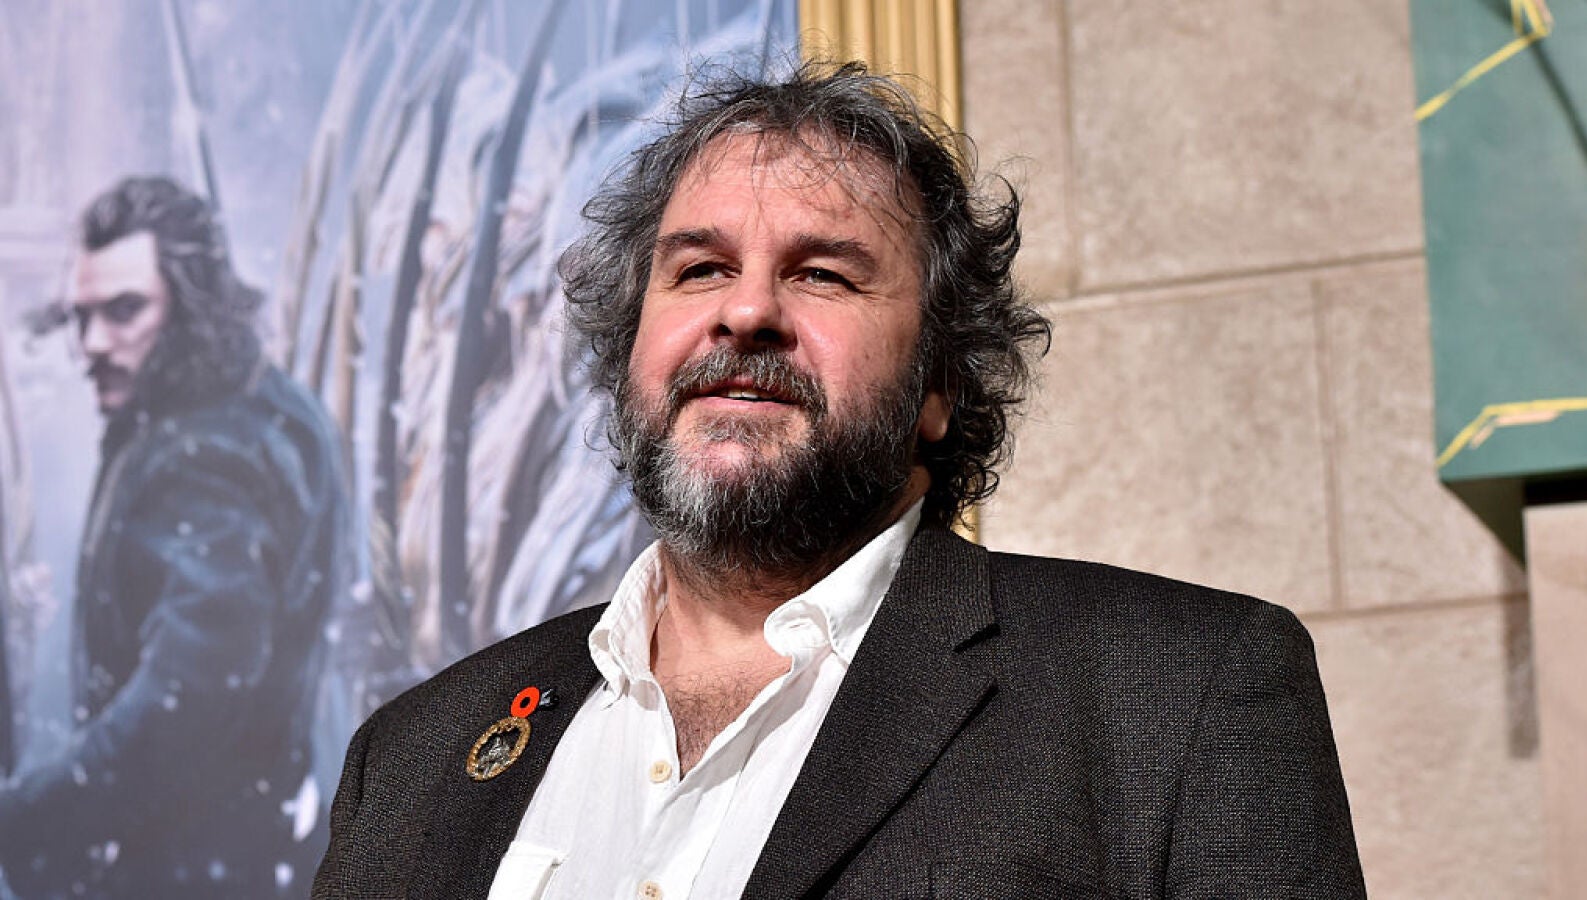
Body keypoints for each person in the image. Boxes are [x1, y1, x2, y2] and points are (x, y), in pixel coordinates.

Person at [313, 63, 1365, 899]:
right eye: (699, 269)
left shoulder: (1183, 695)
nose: (745, 313)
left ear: (940, 381)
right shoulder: (408, 760)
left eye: (822, 273)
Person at [0, 177, 351, 899]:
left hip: (192, 869)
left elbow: (187, 700)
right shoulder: (266, 405)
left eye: (124, 311)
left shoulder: (204, 455)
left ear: (192, 306)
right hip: (250, 852)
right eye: (82, 317)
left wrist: (30, 819)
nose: (93, 344)